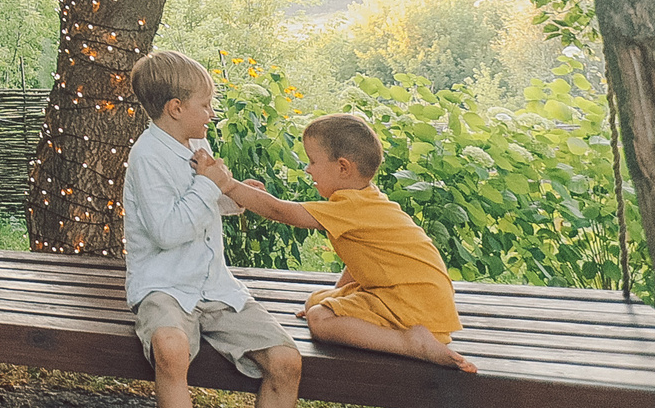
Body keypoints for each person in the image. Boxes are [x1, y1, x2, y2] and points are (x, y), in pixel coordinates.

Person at [194, 112, 478, 373]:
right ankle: (407, 334)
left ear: (343, 167)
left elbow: (281, 211)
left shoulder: (349, 207)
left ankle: (410, 342)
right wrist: (338, 296)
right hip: (422, 294)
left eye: (313, 161)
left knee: (320, 320)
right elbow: (361, 260)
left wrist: (228, 185)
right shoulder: (368, 200)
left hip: (413, 303)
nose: (308, 169)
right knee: (317, 301)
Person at [123, 50, 302, 408]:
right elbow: (167, 231)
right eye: (205, 105)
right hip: (165, 286)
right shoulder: (147, 156)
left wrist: (230, 196)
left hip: (215, 288)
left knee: (287, 361)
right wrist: (208, 185)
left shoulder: (194, 148)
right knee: (171, 349)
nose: (211, 113)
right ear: (175, 107)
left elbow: (196, 204)